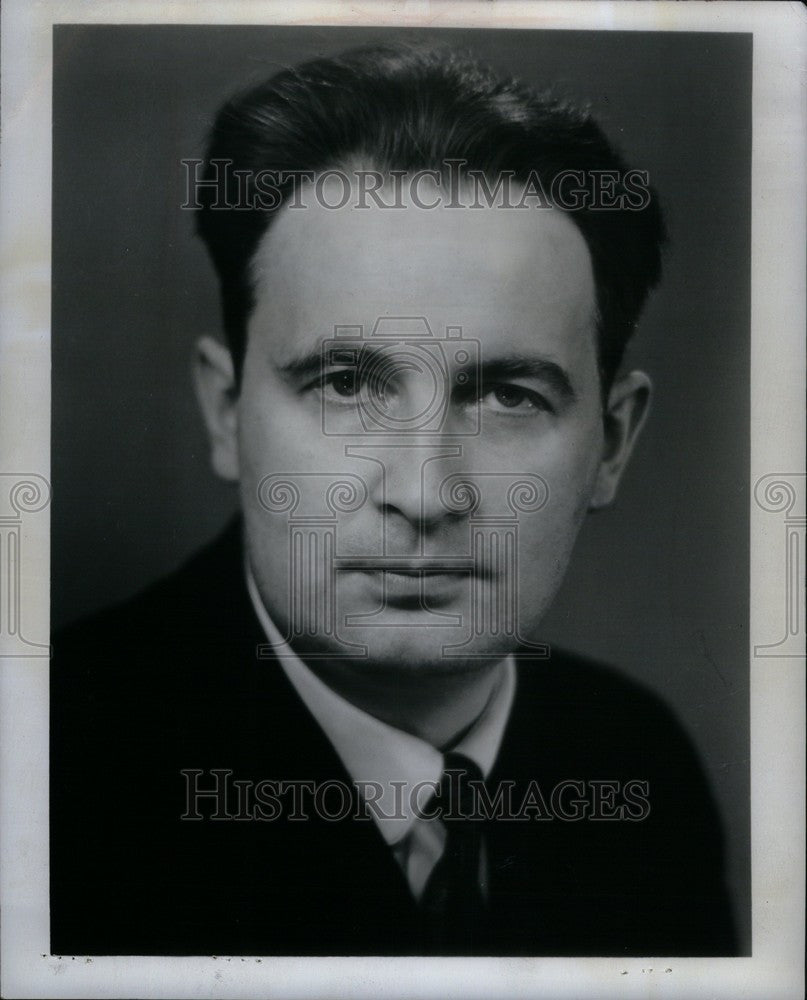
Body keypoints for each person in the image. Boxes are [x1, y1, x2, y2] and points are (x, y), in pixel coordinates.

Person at [50, 44, 737, 956]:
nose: (422, 493)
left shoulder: (635, 764)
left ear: (611, 445)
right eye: (344, 383)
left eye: (506, 397)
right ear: (227, 414)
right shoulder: (47, 769)